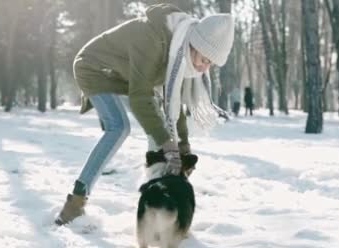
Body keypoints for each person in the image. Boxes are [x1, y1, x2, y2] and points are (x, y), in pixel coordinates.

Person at [55, 4, 234, 225]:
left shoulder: (179, 55)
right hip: (95, 69)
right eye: (205, 60)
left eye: (211, 64)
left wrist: (183, 145)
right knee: (119, 128)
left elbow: (172, 104)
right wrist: (167, 144)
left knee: (157, 128)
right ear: (194, 45)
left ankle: (157, 205)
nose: (205, 68)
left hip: (125, 76)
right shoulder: (153, 41)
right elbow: (140, 97)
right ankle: (75, 202)